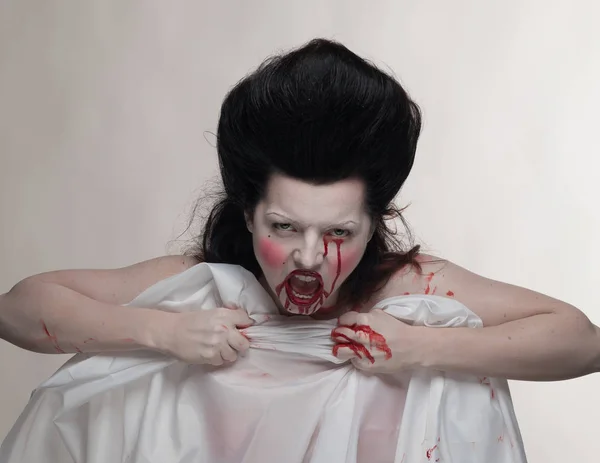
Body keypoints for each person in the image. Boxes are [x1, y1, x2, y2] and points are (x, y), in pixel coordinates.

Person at [1, 38, 599, 387]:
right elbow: (18, 309)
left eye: (340, 231)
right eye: (284, 227)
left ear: (374, 224)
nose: (309, 257)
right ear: (247, 214)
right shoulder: (203, 290)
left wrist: (426, 348)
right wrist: (164, 331)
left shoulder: (406, 289)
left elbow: (583, 341)